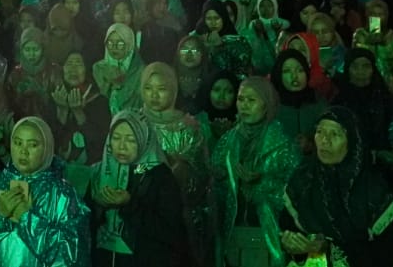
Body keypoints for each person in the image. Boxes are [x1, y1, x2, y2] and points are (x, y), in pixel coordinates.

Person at [0, 116, 90, 267]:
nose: (23, 151)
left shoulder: (63, 195)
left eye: (32, 145)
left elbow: (75, 258)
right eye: (18, 143)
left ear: (47, 147)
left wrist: (26, 218)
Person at [278, 108, 393, 267]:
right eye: (320, 132)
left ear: (353, 141)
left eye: (335, 134)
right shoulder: (302, 181)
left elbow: (388, 256)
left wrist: (327, 247)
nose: (324, 141)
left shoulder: (374, 190)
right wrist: (295, 248)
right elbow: (290, 234)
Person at [210, 77, 300, 267]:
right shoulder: (228, 141)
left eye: (252, 100)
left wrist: (261, 182)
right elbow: (215, 186)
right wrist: (227, 179)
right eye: (241, 99)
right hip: (232, 232)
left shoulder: (282, 144)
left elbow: (295, 191)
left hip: (269, 232)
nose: (244, 106)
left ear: (266, 105)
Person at [88, 110, 188, 266]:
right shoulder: (99, 172)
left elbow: (170, 231)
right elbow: (85, 222)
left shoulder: (160, 176)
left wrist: (129, 204)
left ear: (144, 139)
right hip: (103, 258)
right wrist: (98, 206)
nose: (121, 146)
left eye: (130, 140)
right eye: (116, 138)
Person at [136, 62, 211, 265]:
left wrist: (179, 167)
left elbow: (202, 175)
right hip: (141, 215)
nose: (154, 95)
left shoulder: (188, 127)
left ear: (174, 90)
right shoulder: (135, 124)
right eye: (148, 88)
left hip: (180, 218)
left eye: (161, 89)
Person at [273, 49, 326, 154]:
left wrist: (312, 145)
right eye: (287, 71)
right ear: (278, 75)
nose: (294, 76)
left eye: (300, 70)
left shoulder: (318, 102)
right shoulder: (271, 104)